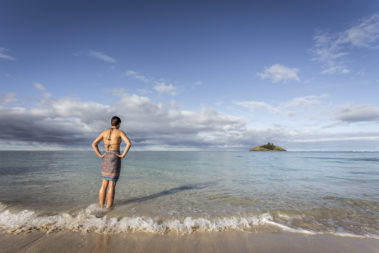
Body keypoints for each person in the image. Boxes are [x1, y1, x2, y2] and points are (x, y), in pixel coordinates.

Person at [92, 116, 132, 208]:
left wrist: (100, 155)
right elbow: (129, 143)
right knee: (112, 184)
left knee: (104, 183)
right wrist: (123, 155)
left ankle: (101, 206)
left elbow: (94, 144)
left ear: (111, 123)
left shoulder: (104, 132)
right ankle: (109, 207)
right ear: (119, 124)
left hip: (106, 156)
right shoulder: (120, 132)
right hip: (115, 157)